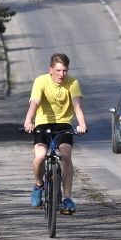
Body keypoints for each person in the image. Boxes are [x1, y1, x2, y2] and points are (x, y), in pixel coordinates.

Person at [23, 53, 87, 215]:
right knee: (40, 156)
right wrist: (28, 121)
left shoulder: (73, 83)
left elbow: (77, 106)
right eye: (58, 70)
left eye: (65, 70)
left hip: (63, 124)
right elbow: (34, 103)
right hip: (42, 124)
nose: (61, 74)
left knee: (65, 156)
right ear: (50, 70)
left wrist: (82, 124)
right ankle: (39, 185)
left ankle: (67, 198)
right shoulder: (41, 81)